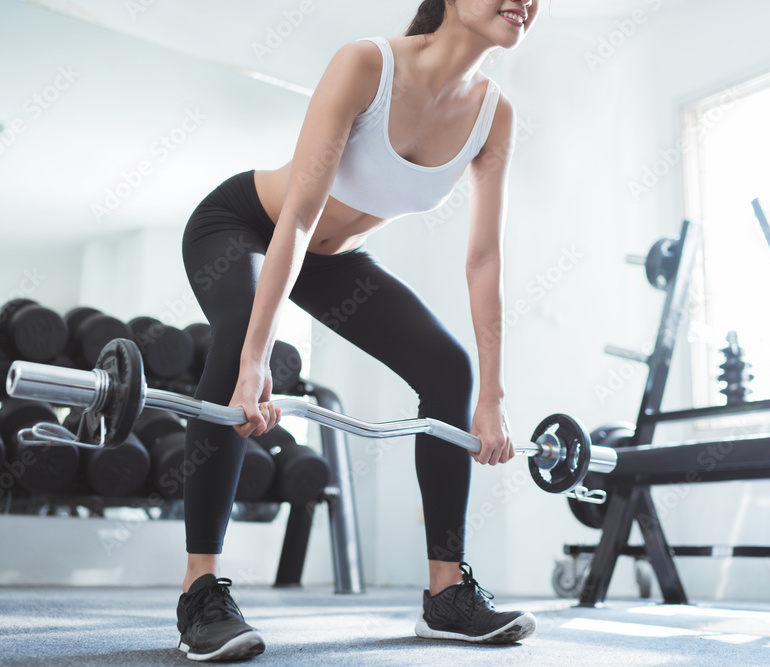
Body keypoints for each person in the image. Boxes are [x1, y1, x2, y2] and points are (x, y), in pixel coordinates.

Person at [177, 0, 540, 660]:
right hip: (245, 227)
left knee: (447, 368)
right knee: (236, 339)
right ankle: (199, 588)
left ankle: (446, 593)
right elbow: (299, 218)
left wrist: (493, 395)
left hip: (332, 261)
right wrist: (256, 357)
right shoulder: (366, 65)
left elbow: (484, 257)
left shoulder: (495, 115)